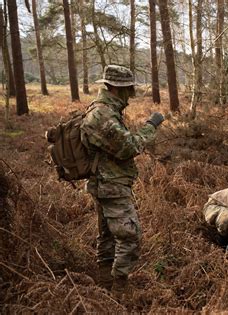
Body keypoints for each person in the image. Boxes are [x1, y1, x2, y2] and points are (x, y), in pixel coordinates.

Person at [80, 65, 165, 295]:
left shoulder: (105, 110)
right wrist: (151, 126)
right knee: (129, 236)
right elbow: (128, 147)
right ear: (117, 89)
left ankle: (105, 288)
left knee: (107, 236)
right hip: (110, 185)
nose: (131, 95)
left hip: (107, 183)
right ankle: (119, 289)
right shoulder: (102, 115)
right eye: (129, 90)